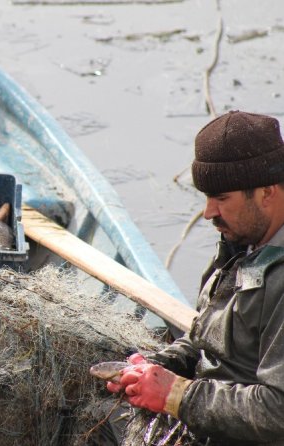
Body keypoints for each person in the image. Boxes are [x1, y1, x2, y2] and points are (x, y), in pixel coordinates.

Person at [102, 110, 284, 445]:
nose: (208, 213)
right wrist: (159, 364)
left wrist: (177, 395)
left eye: (222, 198)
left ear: (267, 192)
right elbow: (207, 340)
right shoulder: (242, 243)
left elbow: (278, 411)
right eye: (206, 197)